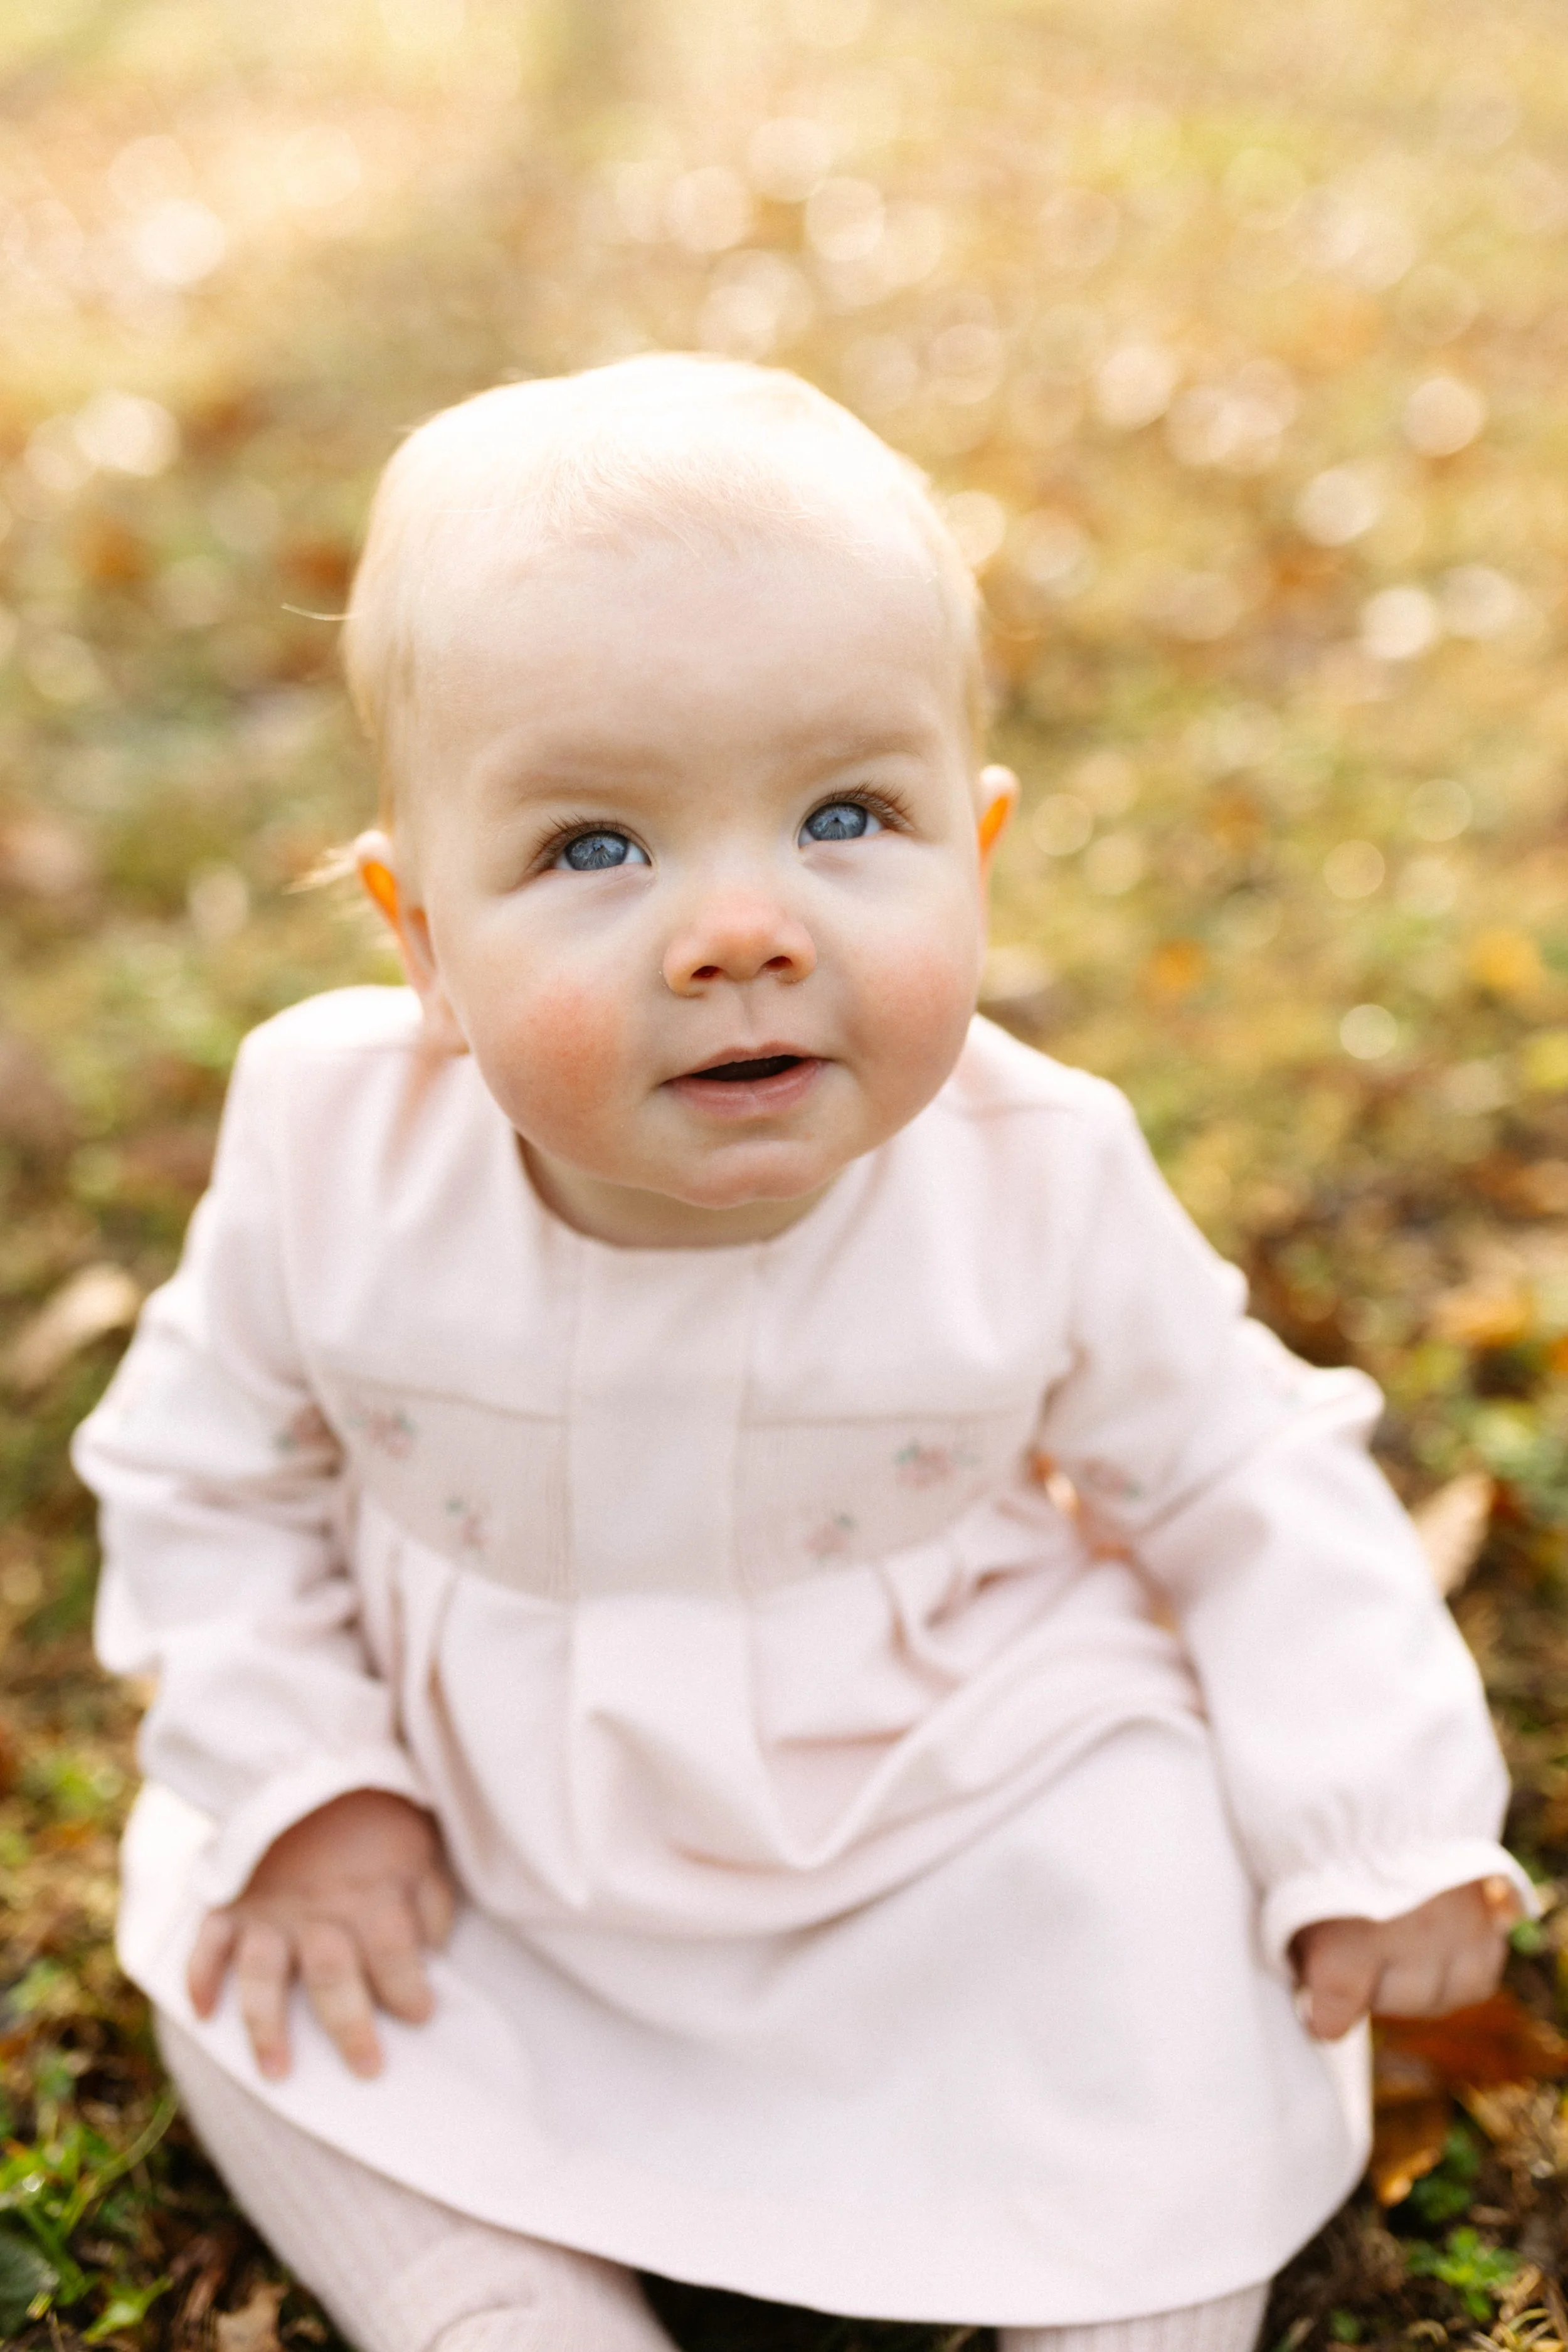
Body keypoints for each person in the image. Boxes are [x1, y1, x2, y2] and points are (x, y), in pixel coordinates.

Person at [75, 355, 1528, 2352]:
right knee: (242, 1946)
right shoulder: (335, 1149)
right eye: (596, 847)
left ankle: (1128, 2319)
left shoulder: (1035, 1171)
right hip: (488, 1831)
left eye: (847, 816)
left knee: (1158, 1920)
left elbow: (1237, 1474)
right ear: (420, 939)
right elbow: (199, 1473)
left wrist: (1370, 1812)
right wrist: (311, 1780)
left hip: (947, 1796)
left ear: (977, 855)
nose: (739, 930)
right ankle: (487, 2297)